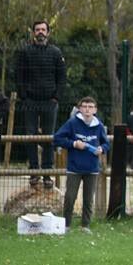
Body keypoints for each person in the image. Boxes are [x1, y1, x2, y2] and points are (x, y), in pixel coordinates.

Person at [14, 20, 66, 188]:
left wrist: (56, 97)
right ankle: (34, 171)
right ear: (33, 33)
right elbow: (19, 75)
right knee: (31, 136)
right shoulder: (25, 52)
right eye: (37, 30)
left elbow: (62, 78)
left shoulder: (56, 53)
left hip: (50, 101)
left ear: (48, 33)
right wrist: (23, 96)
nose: (40, 32)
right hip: (30, 101)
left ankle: (47, 174)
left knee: (49, 138)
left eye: (43, 29)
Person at [52, 96, 109, 231]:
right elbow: (57, 138)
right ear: (80, 109)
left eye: (90, 107)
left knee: (88, 200)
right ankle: (66, 225)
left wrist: (102, 149)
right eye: (84, 106)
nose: (87, 109)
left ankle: (85, 226)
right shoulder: (72, 123)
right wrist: (73, 144)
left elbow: (106, 143)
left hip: (92, 168)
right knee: (70, 197)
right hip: (74, 168)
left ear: (95, 110)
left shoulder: (99, 125)